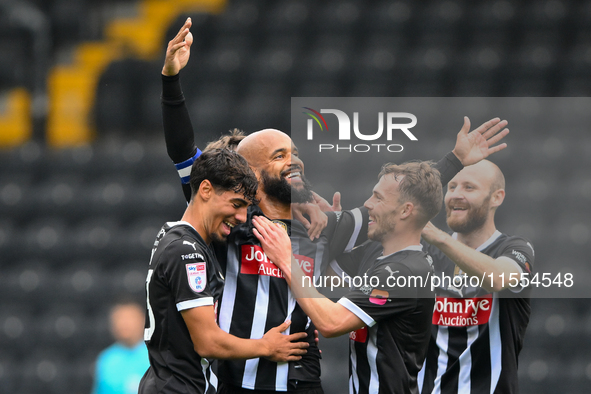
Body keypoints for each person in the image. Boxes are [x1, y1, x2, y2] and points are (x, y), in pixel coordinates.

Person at [160, 18, 509, 393]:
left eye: (296, 152)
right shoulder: (233, 220)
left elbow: (401, 202)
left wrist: (454, 160)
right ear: (252, 174)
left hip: (301, 382)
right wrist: (171, 80)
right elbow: (185, 156)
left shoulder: (326, 227)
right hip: (235, 383)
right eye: (280, 156)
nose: (294, 161)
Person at [252, 161, 444, 394]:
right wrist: (328, 231)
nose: (367, 204)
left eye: (378, 198)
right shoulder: (376, 253)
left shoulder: (405, 271)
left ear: (405, 210)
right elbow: (319, 273)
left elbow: (331, 323)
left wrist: (286, 259)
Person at [138, 149, 309, 394]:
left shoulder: (177, 236)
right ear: (206, 190)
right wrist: (265, 346)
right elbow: (207, 342)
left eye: (246, 208)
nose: (241, 217)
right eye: (236, 204)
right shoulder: (188, 253)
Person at [416, 160, 535, 394]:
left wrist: (439, 238)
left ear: (496, 197)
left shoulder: (515, 248)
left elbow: (498, 279)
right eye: (451, 187)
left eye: (469, 187)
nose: (455, 195)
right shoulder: (424, 253)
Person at [91, 299, 150, 394]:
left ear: (143, 320)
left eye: (130, 318)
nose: (124, 324)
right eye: (119, 318)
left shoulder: (157, 357)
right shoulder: (105, 359)